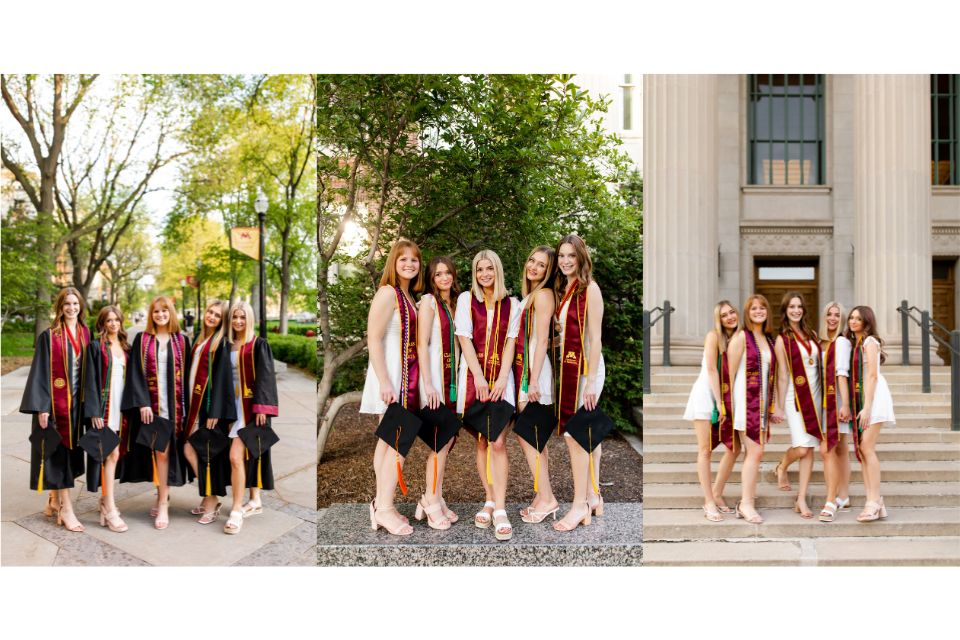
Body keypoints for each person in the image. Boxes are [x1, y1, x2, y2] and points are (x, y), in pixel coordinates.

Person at [19, 287, 99, 533]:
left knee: (69, 456)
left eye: (75, 304)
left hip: (77, 408)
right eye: (67, 304)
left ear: (81, 306)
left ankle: (54, 501)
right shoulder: (50, 335)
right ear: (60, 307)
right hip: (54, 407)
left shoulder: (86, 332)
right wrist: (42, 407)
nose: (71, 308)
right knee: (59, 456)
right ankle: (66, 509)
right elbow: (40, 372)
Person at [455, 249, 521, 541]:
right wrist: (479, 376)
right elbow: (464, 339)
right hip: (474, 378)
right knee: (482, 440)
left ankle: (502, 507)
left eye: (489, 269)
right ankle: (489, 499)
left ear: (498, 271)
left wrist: (503, 377)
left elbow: (510, 342)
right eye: (480, 270)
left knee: (498, 441)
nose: (484, 275)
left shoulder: (513, 304)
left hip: (502, 381)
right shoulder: (466, 300)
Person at [360, 239, 423, 536]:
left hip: (404, 375)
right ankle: (384, 508)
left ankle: (381, 503)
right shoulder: (387, 293)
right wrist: (385, 380)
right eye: (403, 259)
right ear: (393, 263)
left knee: (389, 443)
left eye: (414, 260)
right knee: (398, 443)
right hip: (392, 378)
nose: (409, 264)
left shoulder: (408, 296)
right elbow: (373, 338)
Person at [121, 295, 191, 530]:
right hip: (151, 407)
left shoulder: (182, 341)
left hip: (175, 408)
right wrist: (142, 403)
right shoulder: (142, 339)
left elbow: (190, 377)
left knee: (164, 454)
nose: (160, 315)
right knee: (157, 454)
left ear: (171, 313)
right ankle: (162, 495)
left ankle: (162, 502)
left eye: (164, 311)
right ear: (151, 315)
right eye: (156, 312)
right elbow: (135, 373)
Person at [552, 234, 605, 533]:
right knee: (588, 437)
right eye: (561, 255)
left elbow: (596, 338)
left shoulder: (591, 290)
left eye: (571, 255)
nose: (565, 261)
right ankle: (594, 496)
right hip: (574, 368)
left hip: (588, 371)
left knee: (575, 437)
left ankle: (578, 505)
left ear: (581, 257)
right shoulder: (568, 290)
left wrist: (590, 383)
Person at [223, 300, 279, 534]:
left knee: (237, 457)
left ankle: (236, 510)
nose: (238, 321)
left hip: (252, 409)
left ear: (250, 319)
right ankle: (254, 500)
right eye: (235, 317)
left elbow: (266, 377)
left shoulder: (258, 344)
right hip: (231, 408)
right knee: (249, 456)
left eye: (242, 317)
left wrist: (262, 410)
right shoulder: (227, 345)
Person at [682, 300, 741, 521]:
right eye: (724, 315)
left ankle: (717, 493)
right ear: (719, 319)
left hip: (726, 396)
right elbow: (711, 369)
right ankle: (708, 501)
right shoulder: (713, 336)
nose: (730, 317)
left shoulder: (739, 338)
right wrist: (719, 402)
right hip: (707, 396)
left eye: (732, 312)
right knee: (705, 450)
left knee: (734, 448)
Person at [181, 300, 236, 525]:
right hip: (194, 405)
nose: (212, 317)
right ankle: (207, 497)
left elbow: (223, 380)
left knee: (196, 451)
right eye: (210, 312)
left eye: (217, 315)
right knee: (199, 453)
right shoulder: (200, 339)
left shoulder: (221, 343)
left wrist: (216, 411)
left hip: (207, 409)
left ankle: (212, 500)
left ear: (223, 321)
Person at [514, 246, 559, 524]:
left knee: (527, 436)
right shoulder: (531, 295)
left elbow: (541, 340)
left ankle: (548, 497)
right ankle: (543, 496)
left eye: (541, 265)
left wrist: (531, 379)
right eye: (532, 260)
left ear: (548, 271)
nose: (533, 267)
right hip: (528, 368)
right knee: (535, 440)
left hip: (534, 372)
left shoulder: (542, 295)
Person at [415, 256, 460, 530]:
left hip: (451, 383)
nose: (444, 278)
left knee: (447, 441)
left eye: (447, 273)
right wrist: (428, 384)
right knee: (439, 443)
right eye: (438, 274)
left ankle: (436, 497)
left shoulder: (452, 305)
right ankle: (429, 500)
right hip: (434, 384)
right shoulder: (430, 303)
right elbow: (421, 344)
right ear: (431, 278)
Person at [727, 294, 779, 524]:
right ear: (747, 313)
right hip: (745, 404)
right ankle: (746, 504)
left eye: (762, 308)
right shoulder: (741, 337)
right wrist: (729, 407)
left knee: (754, 453)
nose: (758, 311)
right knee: (755, 453)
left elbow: (771, 376)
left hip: (762, 405)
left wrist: (773, 406)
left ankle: (746, 501)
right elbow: (727, 374)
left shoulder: (768, 339)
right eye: (753, 308)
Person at [772, 292, 823, 519]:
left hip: (817, 397)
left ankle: (800, 498)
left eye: (799, 306)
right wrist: (779, 405)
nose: (796, 310)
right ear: (785, 310)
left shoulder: (812, 335)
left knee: (809, 449)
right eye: (791, 306)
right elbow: (782, 374)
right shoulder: (782, 339)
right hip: (796, 398)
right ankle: (782, 466)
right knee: (801, 448)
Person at [844, 305, 895, 522]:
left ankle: (873, 502)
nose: (853, 321)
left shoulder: (869, 342)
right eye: (851, 318)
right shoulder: (855, 344)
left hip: (874, 399)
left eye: (858, 318)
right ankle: (875, 502)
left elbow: (872, 376)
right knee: (863, 451)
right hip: (864, 397)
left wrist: (867, 407)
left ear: (867, 321)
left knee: (867, 448)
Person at [87, 305, 131, 533]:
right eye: (108, 320)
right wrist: (94, 411)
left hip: (120, 408)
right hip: (104, 408)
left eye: (116, 320)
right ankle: (110, 507)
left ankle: (106, 502)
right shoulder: (96, 347)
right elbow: (91, 380)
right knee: (110, 453)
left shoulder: (125, 347)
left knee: (114, 454)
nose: (113, 324)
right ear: (102, 323)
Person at [817, 301, 853, 522]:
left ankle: (831, 501)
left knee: (827, 449)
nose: (832, 318)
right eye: (829, 314)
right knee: (840, 449)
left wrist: (845, 404)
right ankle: (844, 495)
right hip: (824, 400)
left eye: (837, 315)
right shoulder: (822, 343)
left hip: (836, 402)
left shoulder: (841, 342)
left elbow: (842, 374)